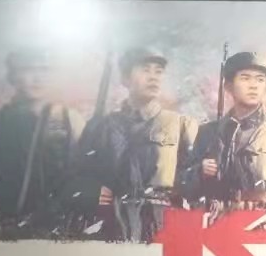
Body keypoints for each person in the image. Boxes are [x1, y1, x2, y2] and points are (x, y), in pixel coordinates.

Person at [0, 46, 86, 239]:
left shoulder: (70, 121)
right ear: (14, 75)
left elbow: (82, 178)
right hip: (0, 232)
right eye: (28, 69)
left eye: (44, 70)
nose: (37, 78)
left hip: (55, 233)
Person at [75, 45, 198, 243]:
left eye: (158, 72)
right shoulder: (103, 126)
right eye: (145, 70)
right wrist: (93, 192)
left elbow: (193, 178)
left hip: (163, 222)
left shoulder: (181, 125)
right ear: (125, 79)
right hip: (114, 222)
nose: (153, 77)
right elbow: (78, 175)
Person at [182, 50, 266, 222]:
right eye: (245, 78)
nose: (253, 85)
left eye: (260, 79)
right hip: (217, 220)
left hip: (263, 221)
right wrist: (200, 172)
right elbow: (184, 188)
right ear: (228, 86)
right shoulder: (209, 132)